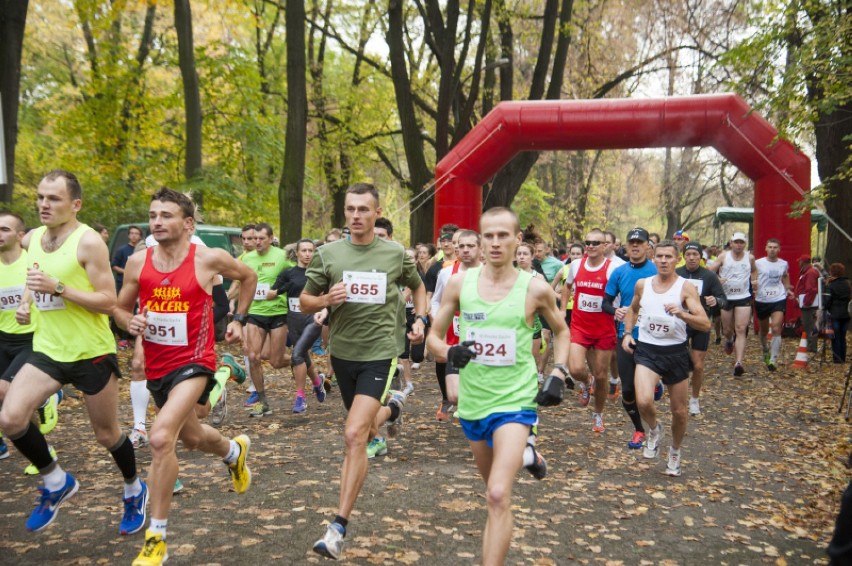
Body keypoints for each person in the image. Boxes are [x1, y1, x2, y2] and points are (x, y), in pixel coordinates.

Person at [115, 187, 256, 566]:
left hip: (195, 361)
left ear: (188, 223)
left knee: (161, 438)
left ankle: (155, 538)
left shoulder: (208, 258)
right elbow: (119, 308)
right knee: (193, 437)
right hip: (158, 366)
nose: (157, 222)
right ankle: (233, 451)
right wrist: (129, 321)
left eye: (166, 215)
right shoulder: (137, 261)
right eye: (152, 215)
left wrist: (239, 320)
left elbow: (249, 276)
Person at [0, 170, 144, 535]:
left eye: (54, 199)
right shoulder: (31, 238)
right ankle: (55, 480)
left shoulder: (89, 242)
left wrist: (59, 287)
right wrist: (28, 302)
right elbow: (36, 274)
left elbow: (109, 302)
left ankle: (133, 488)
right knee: (11, 419)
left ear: (75, 204)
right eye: (40, 197)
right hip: (48, 349)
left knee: (107, 434)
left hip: (90, 352)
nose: (44, 205)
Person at [427, 206, 570, 566]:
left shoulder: (534, 288)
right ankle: (527, 459)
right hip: (473, 403)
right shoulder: (460, 284)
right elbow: (433, 337)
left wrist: (558, 373)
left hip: (515, 401)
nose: (494, 242)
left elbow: (562, 330)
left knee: (496, 493)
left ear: (517, 240)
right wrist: (449, 351)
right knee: (492, 492)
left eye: (503, 235)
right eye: (488, 235)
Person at [301, 183, 426, 560]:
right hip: (342, 354)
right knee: (368, 423)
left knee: (355, 433)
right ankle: (393, 410)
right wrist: (326, 299)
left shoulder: (393, 254)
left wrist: (420, 319)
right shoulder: (327, 254)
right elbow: (306, 302)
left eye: (363, 209)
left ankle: (337, 527)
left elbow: (418, 287)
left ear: (376, 212)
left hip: (381, 353)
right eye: (350, 209)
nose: (356, 215)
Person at [621, 240, 710, 477]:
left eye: (668, 257)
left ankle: (675, 451)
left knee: (679, 412)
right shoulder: (643, 284)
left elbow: (705, 322)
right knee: (643, 402)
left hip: (676, 353)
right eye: (659, 256)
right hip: (648, 350)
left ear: (677, 259)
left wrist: (682, 313)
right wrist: (628, 334)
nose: (663, 261)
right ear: (653, 257)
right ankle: (654, 428)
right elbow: (633, 309)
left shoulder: (685, 287)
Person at [0, 210, 62, 466]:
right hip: (3, 338)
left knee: (3, 391)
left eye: (5, 229)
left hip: (32, 339)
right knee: (12, 405)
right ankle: (42, 450)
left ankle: (46, 398)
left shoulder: (33, 259)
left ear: (20, 235)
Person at [602, 228, 657, 449]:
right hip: (625, 335)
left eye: (639, 242)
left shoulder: (656, 271)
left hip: (652, 337)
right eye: (631, 242)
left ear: (647, 247)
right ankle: (639, 429)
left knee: (644, 393)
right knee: (627, 391)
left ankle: (656, 384)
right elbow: (605, 302)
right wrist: (614, 311)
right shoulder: (619, 272)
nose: (635, 246)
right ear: (626, 246)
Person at [563, 228, 618, 432]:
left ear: (605, 246)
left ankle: (598, 414)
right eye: (588, 242)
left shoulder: (613, 269)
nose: (591, 246)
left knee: (602, 374)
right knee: (576, 368)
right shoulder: (576, 265)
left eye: (596, 243)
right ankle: (587, 381)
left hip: (604, 329)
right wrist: (562, 309)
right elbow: (567, 286)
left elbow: (623, 293)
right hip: (580, 326)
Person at [241, 222, 293, 416]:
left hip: (278, 312)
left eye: (262, 239)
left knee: (276, 361)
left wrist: (281, 291)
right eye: (255, 238)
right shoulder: (247, 258)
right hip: (255, 312)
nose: (257, 242)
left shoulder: (282, 256)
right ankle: (263, 402)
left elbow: (296, 277)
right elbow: (242, 284)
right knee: (253, 356)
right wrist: (238, 312)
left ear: (271, 239)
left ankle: (299, 360)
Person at [430, 230, 483, 420]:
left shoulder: (490, 272)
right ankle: (454, 401)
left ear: (480, 248)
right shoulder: (446, 273)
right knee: (454, 395)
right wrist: (439, 321)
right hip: (453, 332)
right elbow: (436, 300)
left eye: (470, 246)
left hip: (482, 336)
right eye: (461, 246)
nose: (465, 250)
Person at [272, 238, 327, 413]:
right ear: (296, 253)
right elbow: (272, 292)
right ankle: (318, 383)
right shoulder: (288, 273)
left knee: (296, 355)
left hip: (313, 318)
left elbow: (327, 296)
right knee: (303, 355)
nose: (307, 254)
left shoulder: (320, 273)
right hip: (293, 318)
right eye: (303, 250)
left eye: (310, 250)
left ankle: (300, 397)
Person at [676, 241, 726, 415]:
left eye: (695, 255)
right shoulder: (676, 274)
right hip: (679, 322)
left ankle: (694, 399)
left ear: (701, 257)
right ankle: (677, 396)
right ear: (683, 256)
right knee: (676, 362)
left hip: (700, 322)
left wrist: (716, 301)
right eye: (688, 254)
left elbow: (723, 299)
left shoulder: (709, 276)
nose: (691, 258)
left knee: (697, 365)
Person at [710, 232, 757, 376]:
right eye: (736, 242)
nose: (738, 245)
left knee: (741, 328)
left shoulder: (750, 258)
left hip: (743, 297)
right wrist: (718, 279)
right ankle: (729, 340)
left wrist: (754, 281)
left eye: (741, 242)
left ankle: (739, 363)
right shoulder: (724, 256)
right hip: (726, 297)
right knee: (728, 330)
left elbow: (754, 271)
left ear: (745, 244)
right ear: (731, 243)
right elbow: (710, 271)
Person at [754, 239, 793, 370]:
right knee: (764, 330)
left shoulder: (783, 264)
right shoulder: (758, 263)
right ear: (766, 248)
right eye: (770, 247)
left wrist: (787, 288)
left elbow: (786, 275)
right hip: (762, 299)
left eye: (775, 247)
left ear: (779, 249)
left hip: (778, 297)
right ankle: (765, 348)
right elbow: (752, 277)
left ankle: (773, 360)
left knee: (776, 328)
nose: (772, 249)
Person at [795, 253, 821, 353]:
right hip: (809, 303)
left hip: (809, 305)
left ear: (802, 262)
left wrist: (806, 302)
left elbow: (811, 289)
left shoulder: (809, 273)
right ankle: (811, 345)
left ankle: (812, 347)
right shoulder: (808, 272)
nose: (799, 263)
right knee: (808, 325)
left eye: (800, 261)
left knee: (809, 325)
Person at [825, 263, 851, 363]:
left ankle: (837, 359)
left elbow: (827, 301)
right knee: (842, 336)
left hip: (834, 314)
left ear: (832, 272)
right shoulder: (847, 283)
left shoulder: (831, 285)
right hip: (845, 314)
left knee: (835, 337)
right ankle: (843, 358)